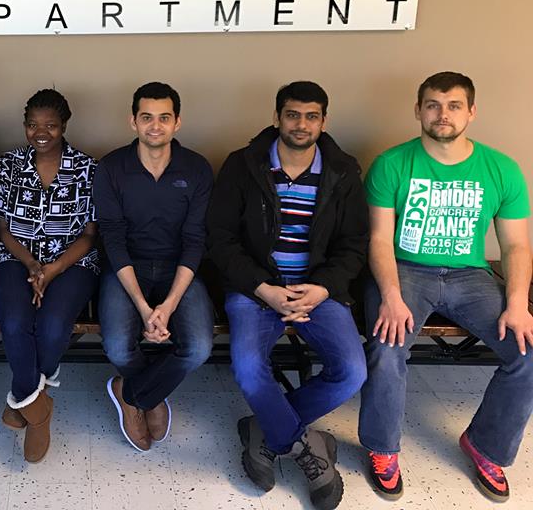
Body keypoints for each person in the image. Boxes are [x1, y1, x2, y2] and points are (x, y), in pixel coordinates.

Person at [359, 71, 533, 502]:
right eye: (433, 105)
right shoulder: (391, 164)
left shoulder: (501, 169)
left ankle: (485, 446)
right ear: (418, 110)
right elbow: (378, 239)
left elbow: (516, 246)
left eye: (454, 105)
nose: (443, 114)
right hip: (405, 269)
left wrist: (517, 303)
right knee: (387, 344)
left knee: (528, 351)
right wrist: (391, 296)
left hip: (470, 276)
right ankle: (383, 449)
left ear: (471, 112)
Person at [207, 81, 368, 510]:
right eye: (293, 115)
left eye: (311, 116)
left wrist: (321, 288)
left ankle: (266, 429)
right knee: (248, 369)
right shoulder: (243, 165)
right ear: (277, 117)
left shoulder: (343, 172)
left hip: (318, 289)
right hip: (256, 288)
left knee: (352, 371)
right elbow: (221, 240)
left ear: (323, 121)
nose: (301, 124)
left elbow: (354, 245)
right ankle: (302, 445)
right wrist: (266, 290)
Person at [93, 81, 215, 452]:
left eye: (164, 117)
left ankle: (134, 394)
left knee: (199, 348)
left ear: (177, 122)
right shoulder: (112, 168)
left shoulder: (196, 168)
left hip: (180, 270)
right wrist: (146, 310)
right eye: (147, 117)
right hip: (126, 269)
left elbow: (195, 240)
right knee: (117, 348)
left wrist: (168, 305)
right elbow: (113, 240)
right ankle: (154, 396)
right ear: (133, 121)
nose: (155, 126)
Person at [0, 89, 99, 462]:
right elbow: (4, 229)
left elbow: (89, 235)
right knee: (14, 321)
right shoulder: (9, 164)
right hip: (15, 257)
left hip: (72, 261)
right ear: (25, 126)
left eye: (50, 125)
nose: (41, 133)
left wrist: (52, 269)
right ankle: (38, 412)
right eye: (33, 125)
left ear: (64, 126)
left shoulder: (87, 168)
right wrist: (32, 266)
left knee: (53, 326)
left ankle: (23, 396)